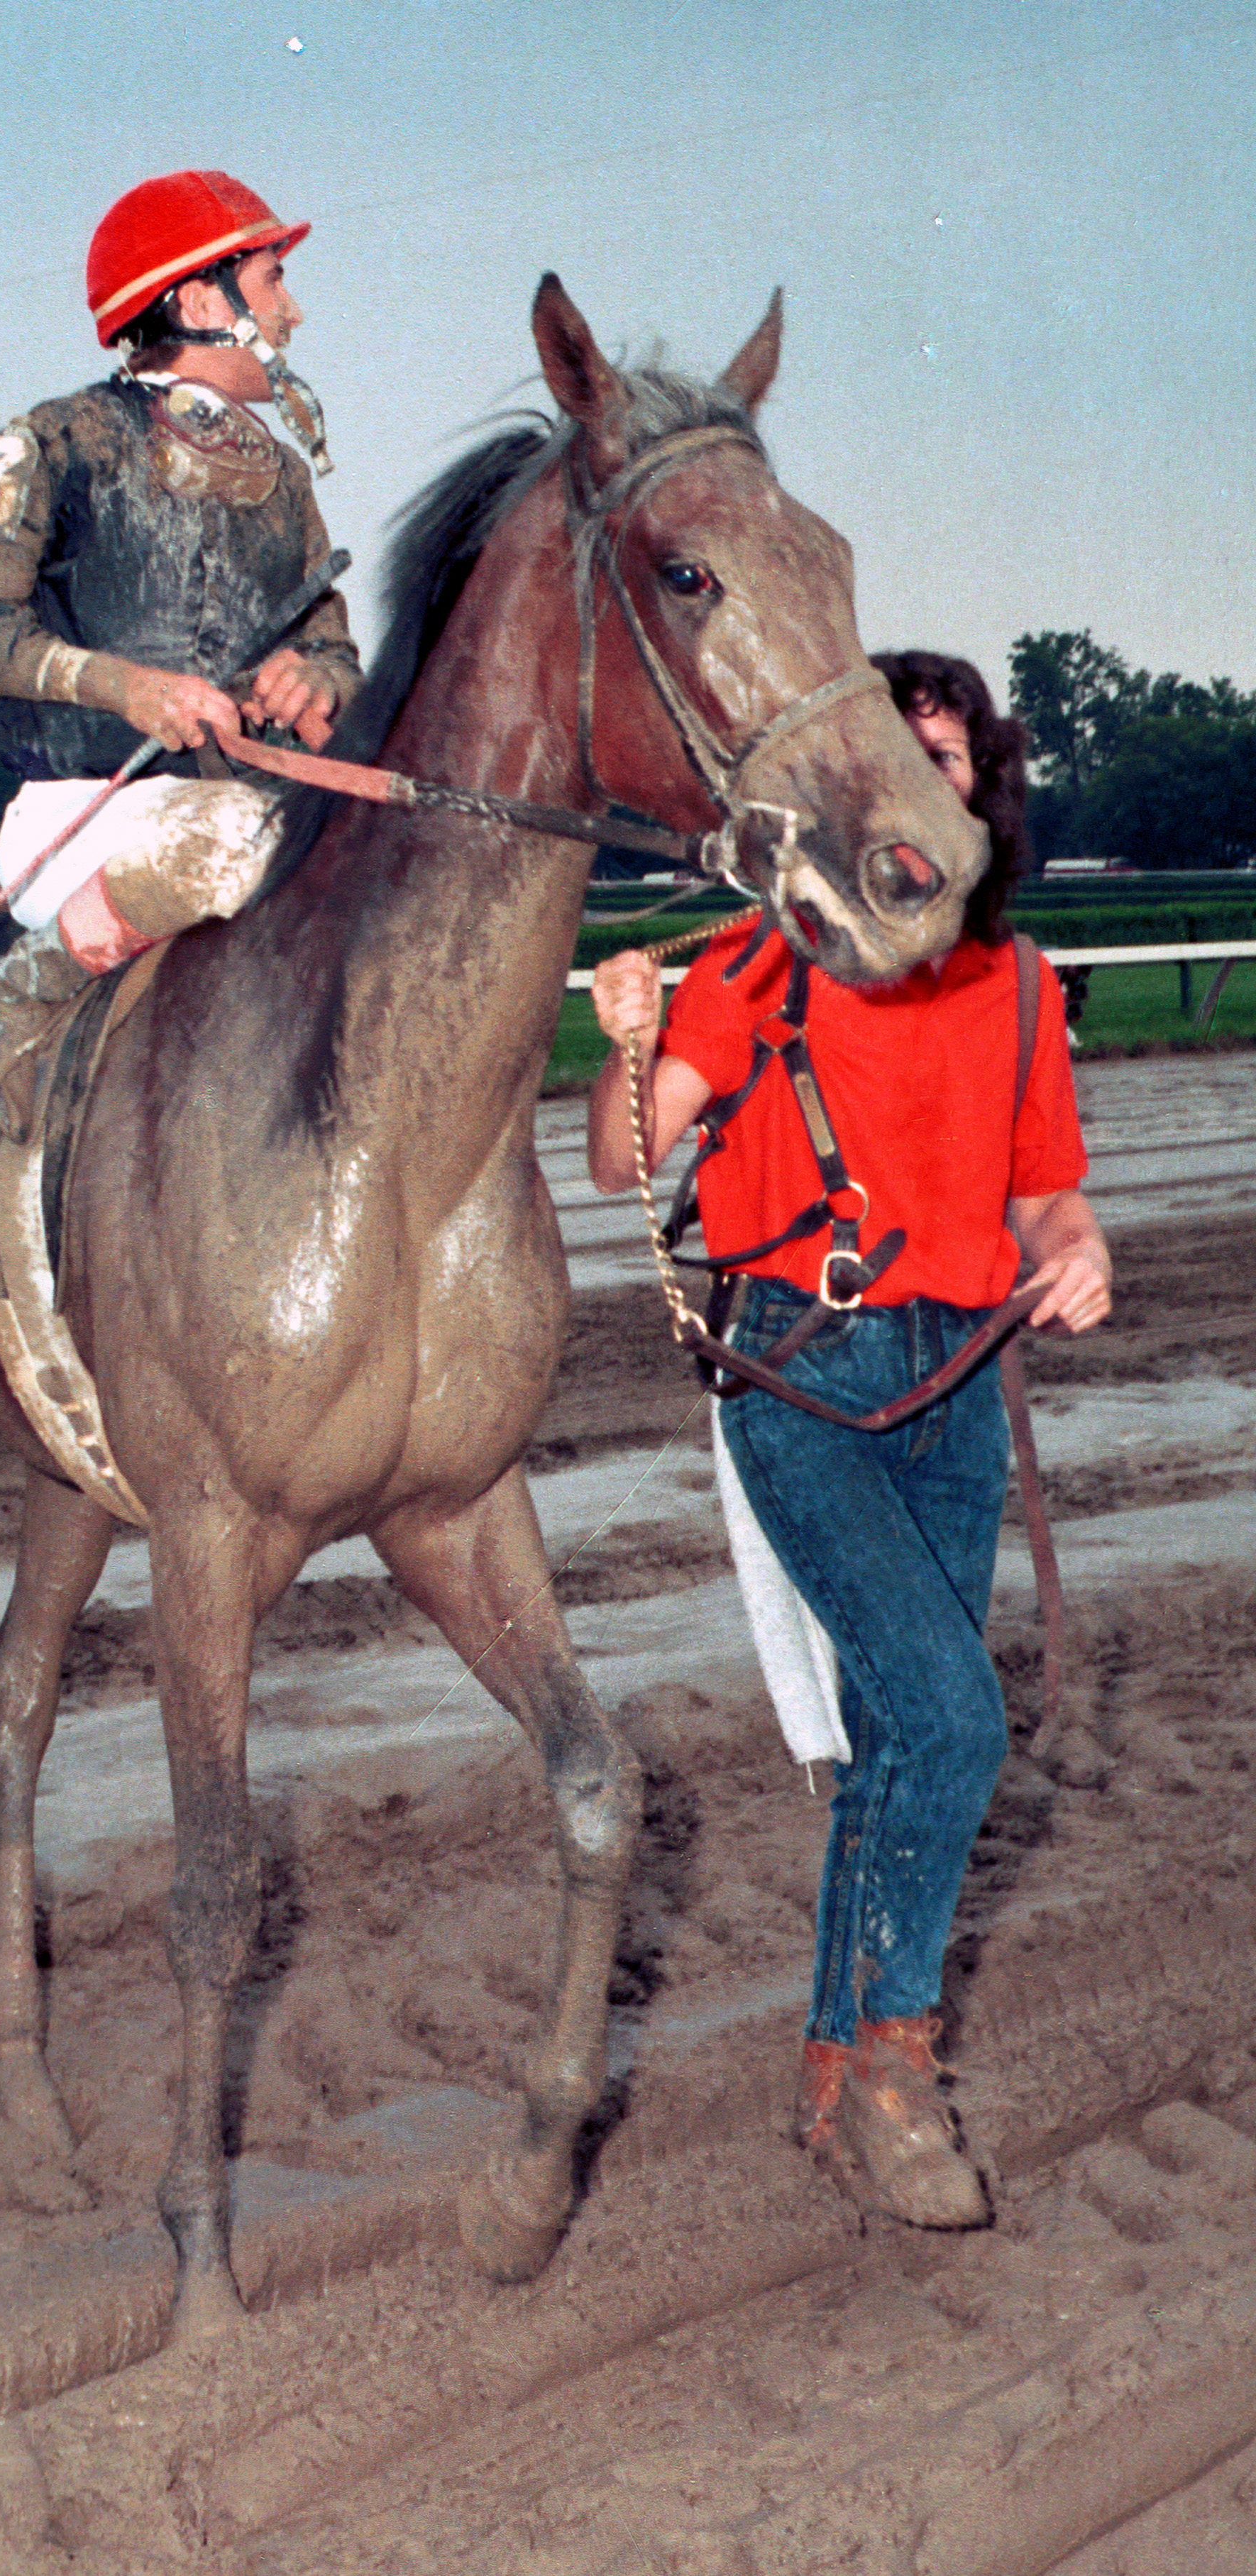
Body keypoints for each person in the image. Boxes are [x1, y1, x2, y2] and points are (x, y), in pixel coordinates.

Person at [587, 650, 1111, 2228]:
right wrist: (632, 1033)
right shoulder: (758, 965)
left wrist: (1076, 1245)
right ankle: (894, 2066)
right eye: (898, 757)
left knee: (903, 1737)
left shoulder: (1016, 989)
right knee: (953, 1723)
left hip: (960, 1378)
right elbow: (626, 1161)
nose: (923, 785)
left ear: (978, 795)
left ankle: (827, 2082)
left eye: (949, 760)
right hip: (805, 1376)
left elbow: (1044, 1189)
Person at [0, 168, 363, 1132]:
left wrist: (315, 678)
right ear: (205, 300)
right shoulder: (53, 439)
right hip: (84, 817)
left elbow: (335, 648)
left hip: (244, 816)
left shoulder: (283, 479)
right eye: (274, 278)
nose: (293, 311)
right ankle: (6, 1007)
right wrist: (124, 688)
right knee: (228, 839)